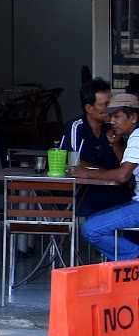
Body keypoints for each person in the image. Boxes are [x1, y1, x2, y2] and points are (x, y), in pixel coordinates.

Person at [75, 92, 139, 262]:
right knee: (94, 220)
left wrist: (87, 174)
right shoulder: (135, 136)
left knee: (91, 229)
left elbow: (123, 175)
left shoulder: (138, 137)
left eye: (117, 116)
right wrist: (116, 145)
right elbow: (131, 171)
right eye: (111, 116)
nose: (112, 121)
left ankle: (135, 259)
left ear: (133, 117)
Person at [60, 77, 130, 216]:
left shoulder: (116, 125)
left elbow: (127, 166)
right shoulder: (75, 127)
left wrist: (116, 145)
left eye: (112, 102)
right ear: (89, 108)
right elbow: (71, 162)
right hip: (83, 191)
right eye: (105, 105)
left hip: (114, 190)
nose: (111, 108)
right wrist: (107, 174)